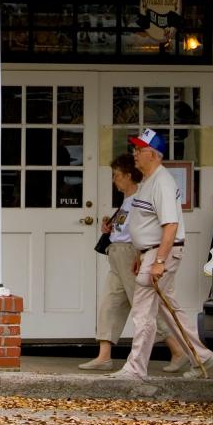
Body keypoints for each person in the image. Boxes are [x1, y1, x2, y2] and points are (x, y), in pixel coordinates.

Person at [110, 128, 213, 380]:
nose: (134, 154)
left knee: (143, 310)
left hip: (161, 254)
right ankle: (201, 356)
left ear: (154, 154)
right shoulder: (150, 180)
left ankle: (136, 368)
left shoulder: (163, 182)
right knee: (168, 310)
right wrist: (143, 256)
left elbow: (170, 225)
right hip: (151, 253)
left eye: (139, 150)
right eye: (135, 149)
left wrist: (158, 260)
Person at [79, 153, 187, 371]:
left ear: (128, 176)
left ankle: (177, 350)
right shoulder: (127, 200)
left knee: (144, 306)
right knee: (110, 303)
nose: (114, 180)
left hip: (131, 255)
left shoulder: (142, 195)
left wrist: (147, 256)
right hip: (116, 255)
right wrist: (111, 227)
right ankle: (104, 355)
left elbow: (153, 227)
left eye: (117, 175)